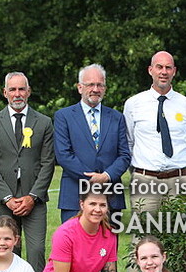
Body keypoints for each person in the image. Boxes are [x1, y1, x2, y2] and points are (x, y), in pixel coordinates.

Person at [0, 72, 56, 272]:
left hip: (35, 199)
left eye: (21, 89)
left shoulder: (44, 123)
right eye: (12, 89)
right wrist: (7, 198)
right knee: (9, 249)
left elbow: (48, 162)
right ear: (5, 92)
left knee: (36, 249)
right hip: (4, 199)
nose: (17, 94)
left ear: (29, 92)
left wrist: (32, 197)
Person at [54, 64, 131, 223]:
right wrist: (92, 178)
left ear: (105, 88)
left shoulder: (117, 117)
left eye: (100, 85)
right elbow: (63, 154)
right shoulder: (64, 116)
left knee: (108, 246)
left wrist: (106, 176)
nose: (95, 89)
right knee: (74, 246)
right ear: (80, 87)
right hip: (74, 195)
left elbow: (124, 155)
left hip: (111, 195)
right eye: (90, 84)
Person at [124, 51, 186, 213]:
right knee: (144, 234)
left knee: (181, 232)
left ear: (174, 71)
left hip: (179, 181)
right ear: (150, 70)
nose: (164, 72)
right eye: (159, 67)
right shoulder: (133, 104)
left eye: (168, 68)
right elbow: (129, 143)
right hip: (145, 180)